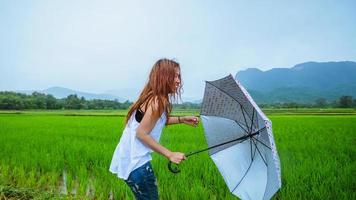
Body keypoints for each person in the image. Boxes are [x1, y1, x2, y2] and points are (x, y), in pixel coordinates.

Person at [109, 58, 199, 200]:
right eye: (174, 76)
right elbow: (141, 133)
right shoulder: (158, 101)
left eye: (179, 76)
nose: (178, 81)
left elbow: (154, 122)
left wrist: (182, 119)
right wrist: (170, 154)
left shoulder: (151, 97)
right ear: (162, 77)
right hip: (138, 165)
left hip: (130, 163)